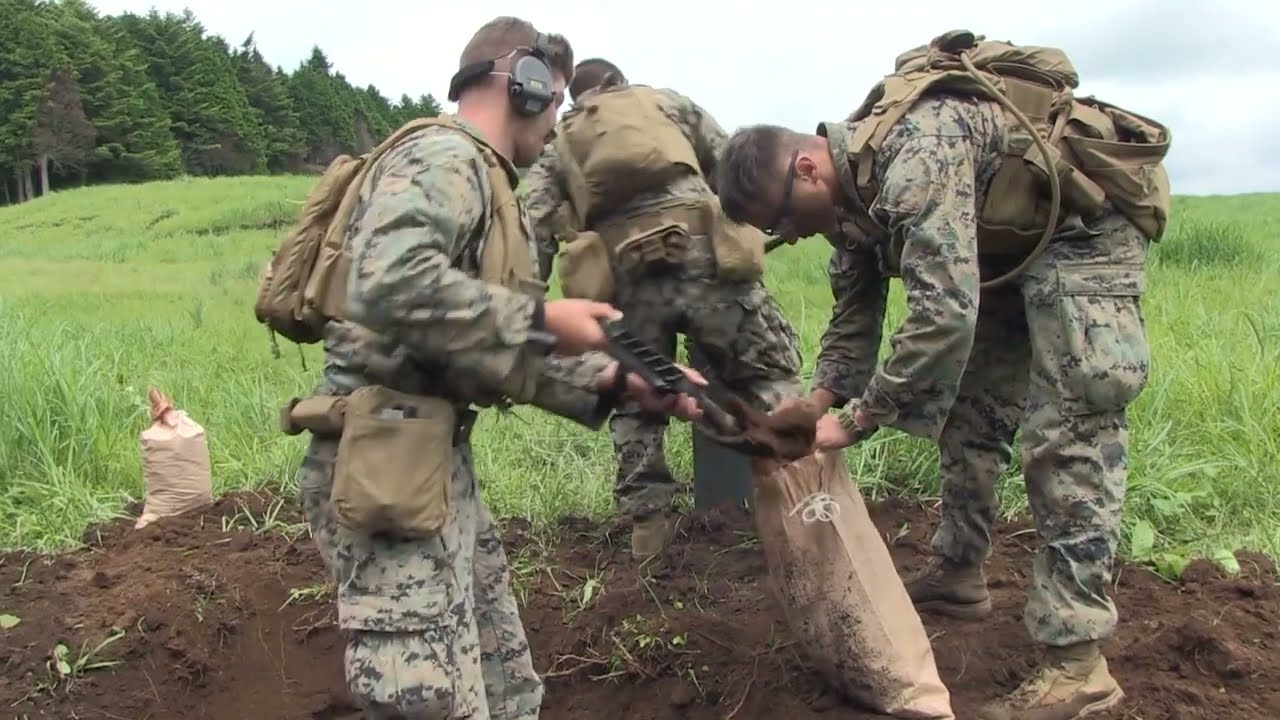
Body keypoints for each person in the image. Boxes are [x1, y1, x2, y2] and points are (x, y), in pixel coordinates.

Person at [712, 32, 1169, 720]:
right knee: (971, 415)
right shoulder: (848, 197)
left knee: (1068, 438)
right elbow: (855, 317)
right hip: (1001, 253)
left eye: (781, 218)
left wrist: (855, 421)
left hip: (1083, 235)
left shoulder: (916, 155)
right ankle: (960, 572)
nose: (791, 235)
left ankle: (1078, 665)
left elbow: (943, 318)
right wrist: (817, 400)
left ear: (806, 167)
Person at [290, 18, 707, 719]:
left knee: (506, 688)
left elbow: (468, 344)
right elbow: (387, 281)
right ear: (524, 86)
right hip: (383, 466)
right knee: (425, 703)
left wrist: (620, 381)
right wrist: (544, 320)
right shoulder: (444, 157)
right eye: (556, 100)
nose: (557, 123)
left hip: (428, 460)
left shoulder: (481, 175)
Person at [521, 58, 802, 560]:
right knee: (765, 372)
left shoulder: (562, 141)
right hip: (706, 263)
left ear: (577, 99)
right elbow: (728, 159)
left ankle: (649, 532)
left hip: (627, 279)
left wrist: (526, 304)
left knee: (638, 395)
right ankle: (804, 493)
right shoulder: (664, 102)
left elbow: (534, 223)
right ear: (618, 81)